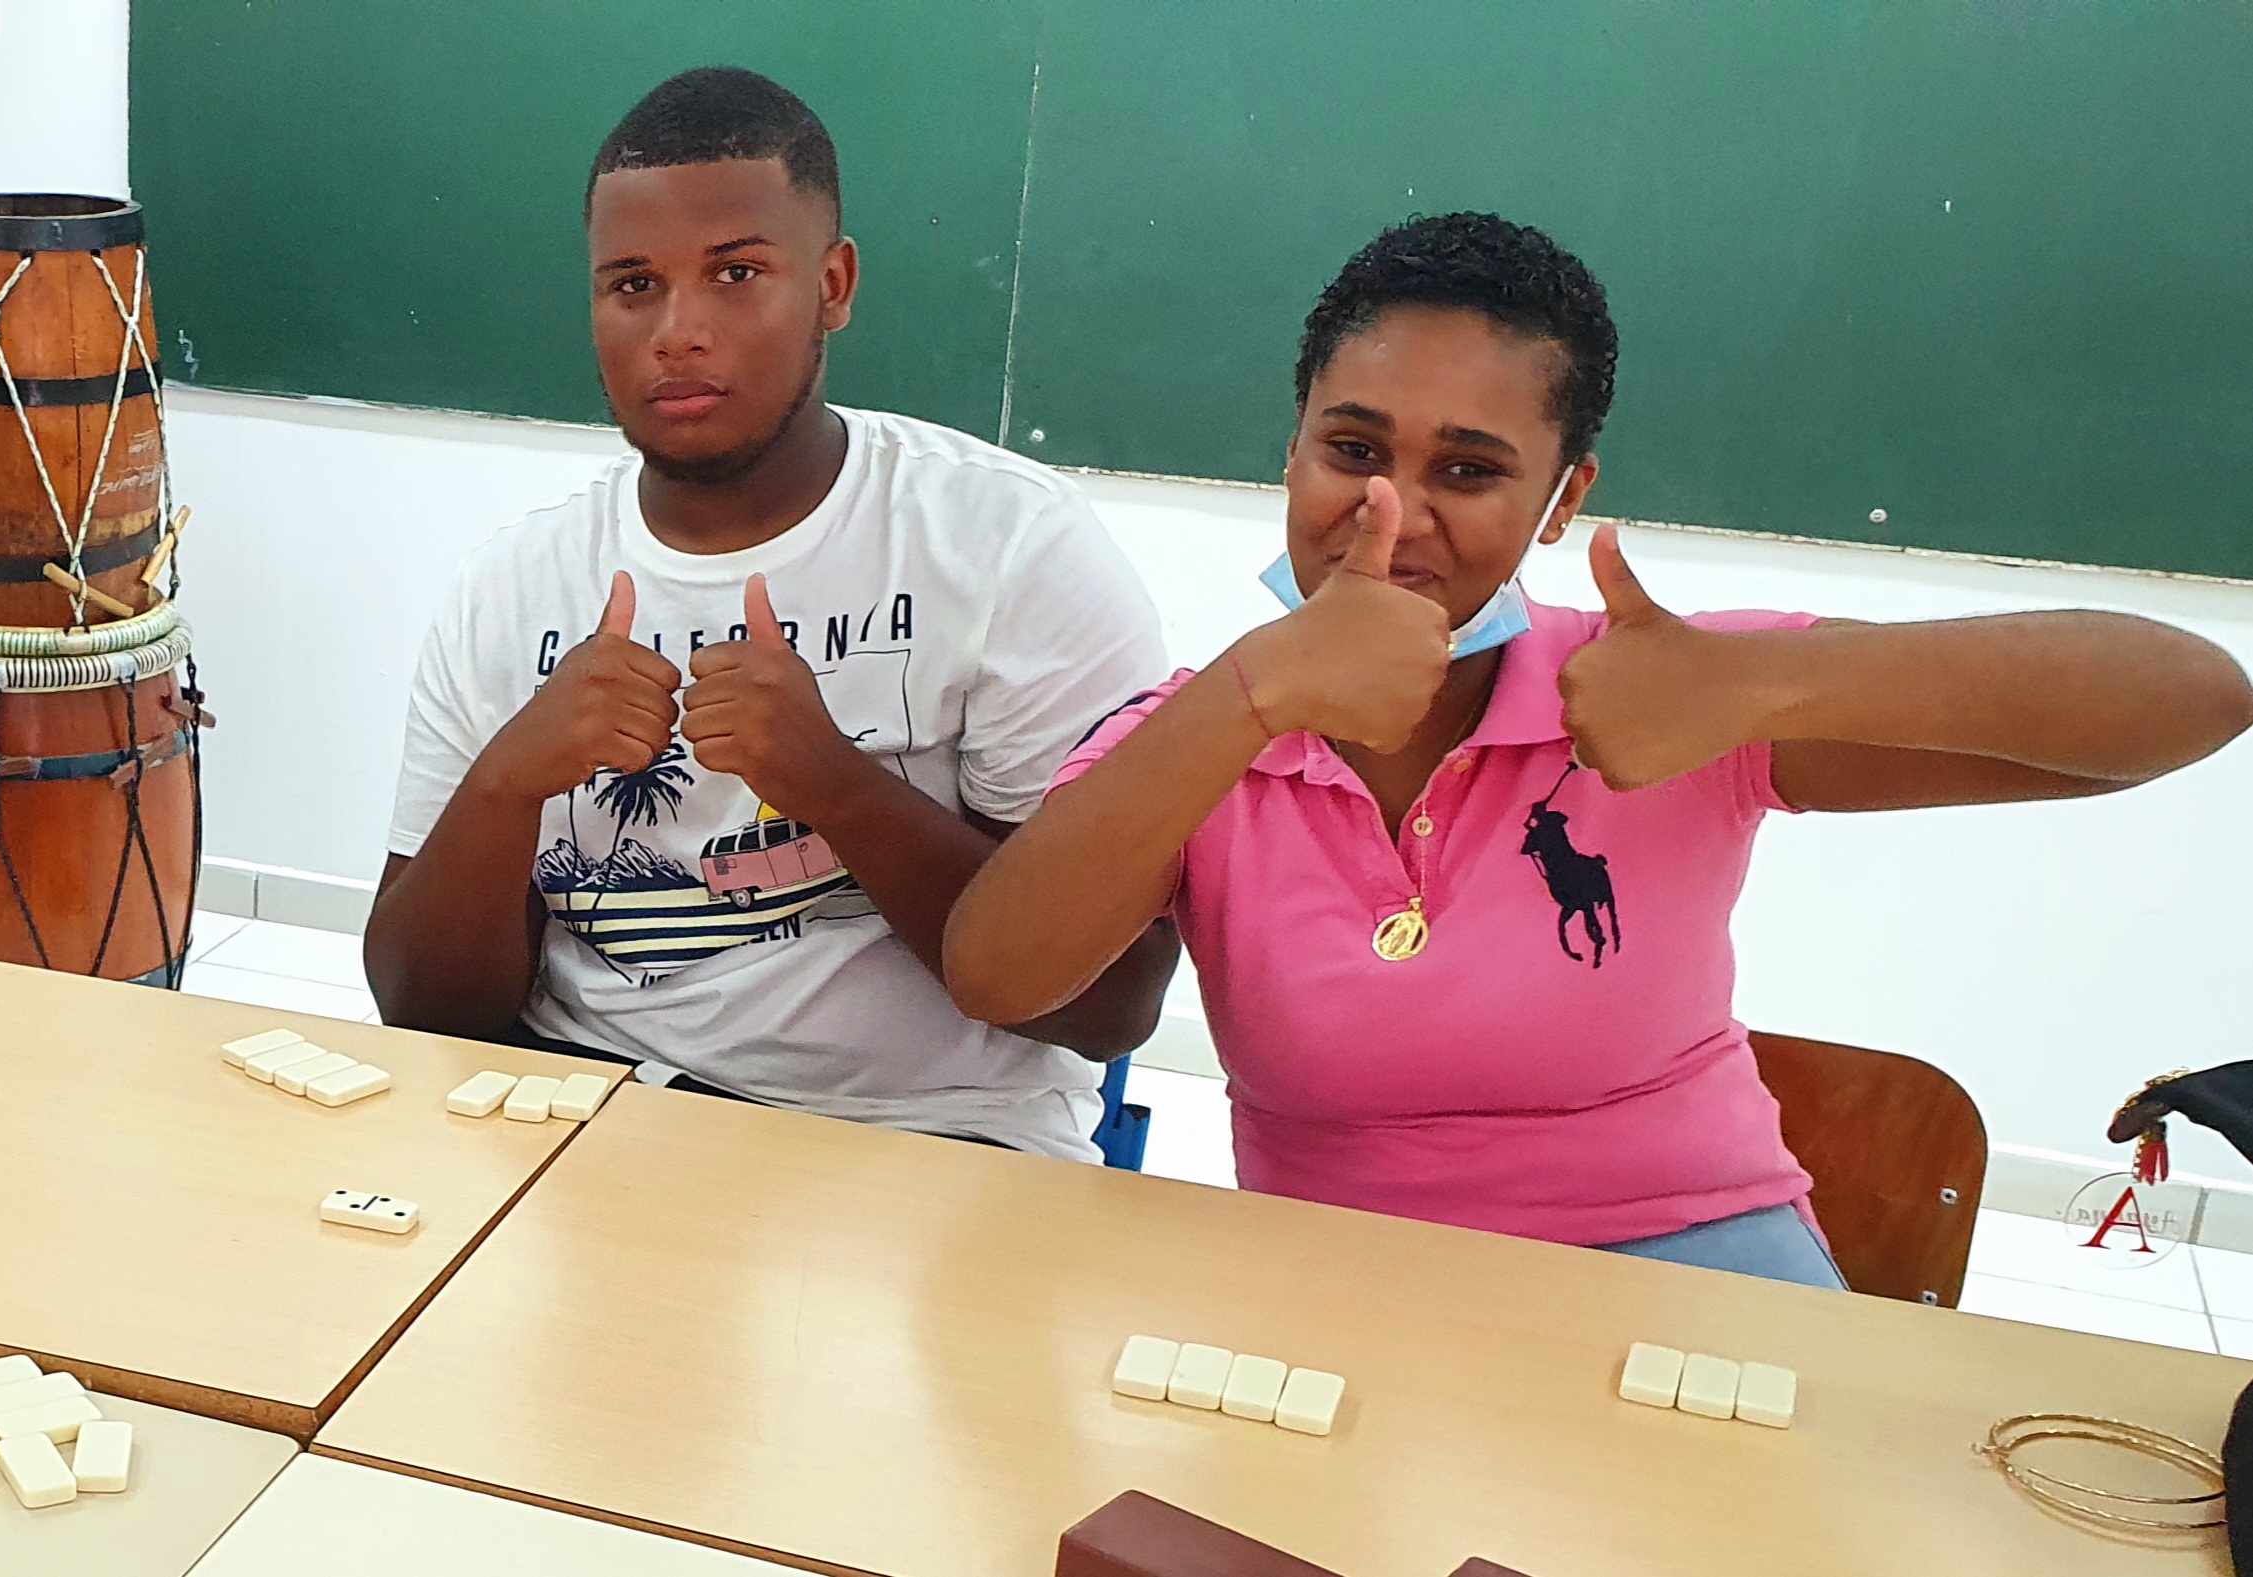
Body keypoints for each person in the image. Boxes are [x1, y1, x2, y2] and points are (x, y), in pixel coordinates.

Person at [943, 213, 2253, 1281]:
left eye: (1469, 470)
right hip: (1337, 1278)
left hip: (1688, 1259)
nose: (1392, 513)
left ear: (1562, 497)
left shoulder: (1669, 688)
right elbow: (999, 974)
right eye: (1351, 448)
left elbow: (2194, 697)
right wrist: (1245, 698)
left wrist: (1763, 680)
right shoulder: (1198, 728)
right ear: (1289, 452)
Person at [364, 67, 1178, 1159]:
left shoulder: (1009, 548)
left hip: (926, 1137)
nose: (678, 332)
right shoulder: (513, 583)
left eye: (736, 273)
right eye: (632, 284)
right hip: (589, 1110)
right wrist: (507, 783)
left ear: (832, 285)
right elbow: (421, 1010)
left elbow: (1111, 1003)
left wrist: (831, 782)